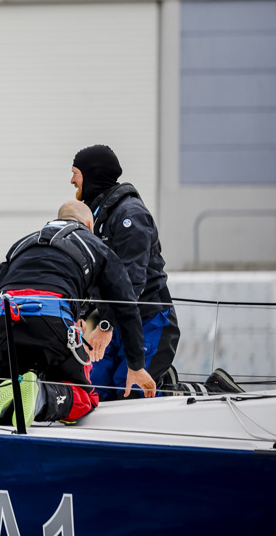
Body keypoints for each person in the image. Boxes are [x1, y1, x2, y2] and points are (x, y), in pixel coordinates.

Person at [71, 145, 244, 398]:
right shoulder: (97, 217)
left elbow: (132, 280)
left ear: (92, 175)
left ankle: (210, 390)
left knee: (130, 393)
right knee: (95, 389)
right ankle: (165, 381)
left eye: (75, 173)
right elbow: (94, 275)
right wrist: (80, 313)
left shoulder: (130, 215)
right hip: (119, 322)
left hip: (150, 321)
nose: (72, 180)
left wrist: (105, 325)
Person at [0, 201, 156, 427]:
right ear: (89, 225)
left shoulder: (22, 244)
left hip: (5, 319)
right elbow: (126, 305)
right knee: (85, 397)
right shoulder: (95, 245)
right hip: (52, 319)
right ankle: (40, 396)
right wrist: (136, 365)